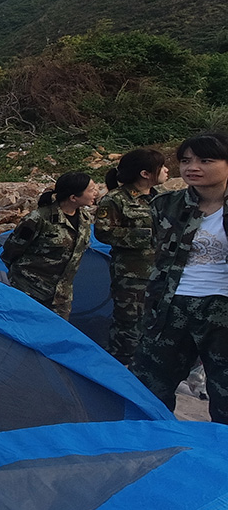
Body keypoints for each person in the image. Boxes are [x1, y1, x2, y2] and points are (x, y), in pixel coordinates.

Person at [131, 132, 228, 423]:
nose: (192, 167)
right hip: (170, 307)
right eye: (186, 161)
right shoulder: (166, 205)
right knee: (148, 389)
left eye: (205, 160)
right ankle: (152, 446)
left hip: (221, 310)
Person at [95, 148, 168, 365]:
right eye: (161, 167)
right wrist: (146, 235)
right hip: (131, 275)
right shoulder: (116, 199)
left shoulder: (161, 198)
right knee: (129, 324)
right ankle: (121, 366)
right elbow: (103, 232)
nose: (166, 170)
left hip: (161, 272)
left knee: (157, 321)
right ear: (145, 173)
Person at [1, 172, 99, 319]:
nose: (96, 193)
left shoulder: (84, 219)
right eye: (91, 190)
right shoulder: (38, 219)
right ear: (73, 197)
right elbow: (11, 251)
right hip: (29, 291)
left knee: (56, 331)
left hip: (61, 298)